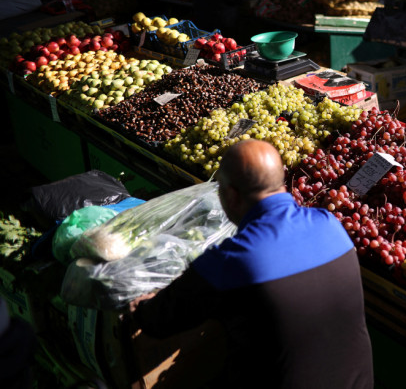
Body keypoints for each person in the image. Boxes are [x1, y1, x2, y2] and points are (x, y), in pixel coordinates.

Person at [128, 140, 374, 388]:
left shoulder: (229, 262)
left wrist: (140, 304)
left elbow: (155, 322)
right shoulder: (329, 224)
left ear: (232, 194)